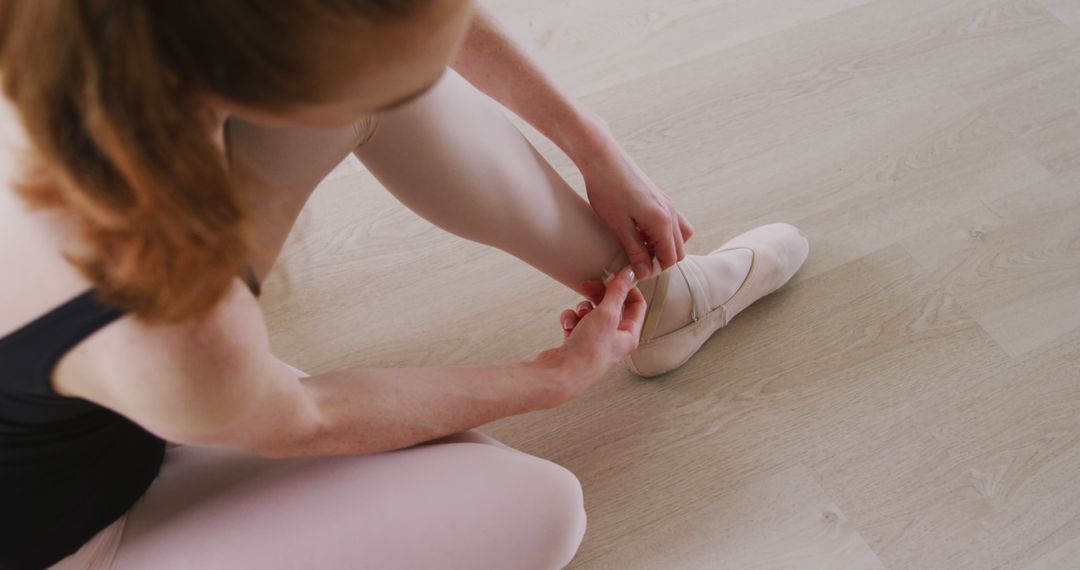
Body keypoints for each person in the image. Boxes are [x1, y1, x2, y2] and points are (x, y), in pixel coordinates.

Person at [0, 1, 809, 568]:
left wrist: (587, 139)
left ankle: (656, 302)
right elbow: (305, 421)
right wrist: (552, 378)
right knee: (539, 511)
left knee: (381, 74)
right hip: (71, 539)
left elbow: (392, 18)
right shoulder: (136, 276)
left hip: (144, 381)